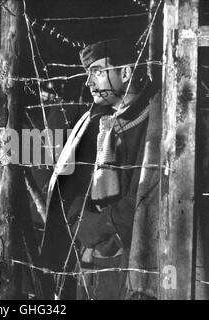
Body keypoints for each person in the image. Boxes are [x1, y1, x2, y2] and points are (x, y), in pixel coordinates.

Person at [40, 38, 161, 300]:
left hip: (130, 260)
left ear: (126, 72)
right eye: (88, 73)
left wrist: (103, 226)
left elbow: (150, 193)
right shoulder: (94, 121)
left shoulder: (155, 119)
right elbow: (68, 184)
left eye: (97, 71)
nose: (88, 82)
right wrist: (79, 221)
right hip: (87, 258)